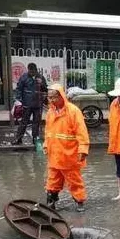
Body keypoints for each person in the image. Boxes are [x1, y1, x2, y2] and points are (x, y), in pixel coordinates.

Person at [44, 84, 90, 213]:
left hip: (69, 155)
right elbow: (48, 131)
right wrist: (46, 145)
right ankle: (51, 201)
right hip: (54, 154)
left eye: (54, 97)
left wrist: (83, 149)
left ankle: (79, 201)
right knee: (52, 180)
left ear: (61, 96)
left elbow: (82, 132)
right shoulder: (50, 112)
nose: (52, 100)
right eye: (50, 97)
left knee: (74, 180)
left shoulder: (73, 111)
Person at [12, 63, 48, 145]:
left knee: (36, 122)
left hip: (38, 104)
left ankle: (35, 139)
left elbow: (45, 89)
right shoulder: (24, 77)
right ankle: (18, 138)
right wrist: (18, 100)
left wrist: (41, 83)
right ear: (28, 70)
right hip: (27, 104)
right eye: (30, 72)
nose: (31, 73)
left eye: (33, 72)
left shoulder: (41, 77)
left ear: (36, 70)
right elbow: (18, 89)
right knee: (24, 121)